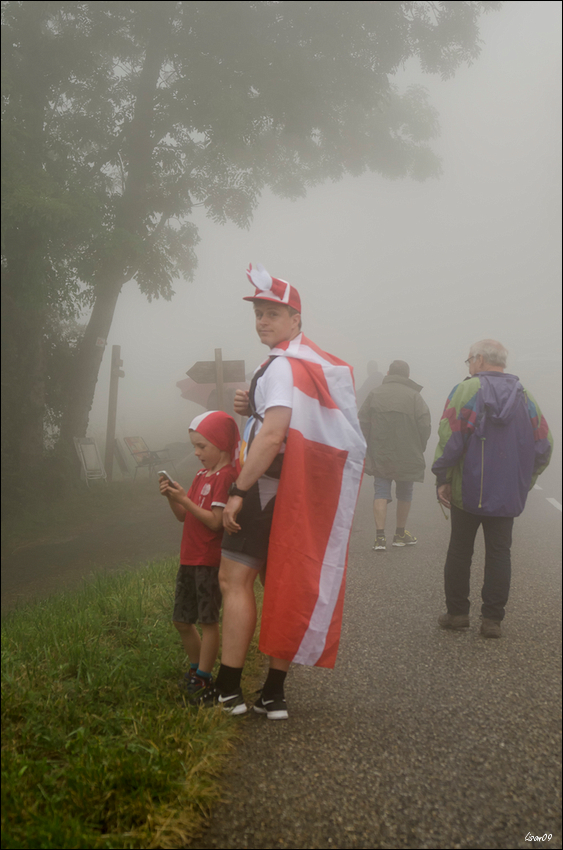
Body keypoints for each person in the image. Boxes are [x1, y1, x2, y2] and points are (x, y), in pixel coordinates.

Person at [202, 263, 366, 720]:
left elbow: (273, 435)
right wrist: (249, 402)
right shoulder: (308, 365)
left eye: (273, 313)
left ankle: (228, 691)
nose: (262, 321)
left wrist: (237, 489)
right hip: (297, 494)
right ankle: (274, 694)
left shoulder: (280, 367)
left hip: (262, 489)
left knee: (234, 582)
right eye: (258, 313)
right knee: (285, 584)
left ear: (296, 319)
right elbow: (286, 419)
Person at [433, 340, 553, 638]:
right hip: (506, 494)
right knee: (500, 553)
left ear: (480, 359)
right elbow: (544, 444)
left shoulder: (467, 390)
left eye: (469, 360)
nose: (468, 365)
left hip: (468, 490)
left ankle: (458, 613)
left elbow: (451, 437)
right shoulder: (526, 397)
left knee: (460, 550)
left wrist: (442, 477)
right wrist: (523, 481)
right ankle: (492, 621)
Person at [159, 411, 239, 694]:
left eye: (202, 446)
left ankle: (203, 677)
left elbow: (216, 522)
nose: (196, 453)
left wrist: (185, 500)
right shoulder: (201, 475)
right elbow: (184, 515)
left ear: (222, 443)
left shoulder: (226, 477)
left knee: (208, 621)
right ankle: (195, 668)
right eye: (194, 446)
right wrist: (174, 498)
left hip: (208, 561)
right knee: (181, 620)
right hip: (188, 559)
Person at [358, 360, 431, 550]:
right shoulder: (415, 397)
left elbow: (362, 422)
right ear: (408, 375)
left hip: (380, 450)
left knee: (381, 490)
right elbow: (425, 425)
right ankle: (399, 534)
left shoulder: (375, 393)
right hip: (408, 451)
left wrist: (367, 445)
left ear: (389, 372)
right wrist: (419, 446)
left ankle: (380, 538)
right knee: (405, 492)